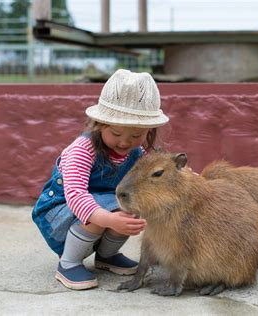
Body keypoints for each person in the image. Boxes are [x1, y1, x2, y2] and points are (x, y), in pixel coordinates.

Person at [32, 69, 169, 290]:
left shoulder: (137, 153)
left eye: (136, 136)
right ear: (99, 124)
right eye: (116, 133)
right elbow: (76, 195)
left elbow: (158, 173)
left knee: (129, 208)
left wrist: (188, 179)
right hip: (60, 211)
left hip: (98, 209)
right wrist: (108, 219)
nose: (124, 142)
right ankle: (68, 263)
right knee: (103, 213)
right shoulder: (82, 149)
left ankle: (106, 256)